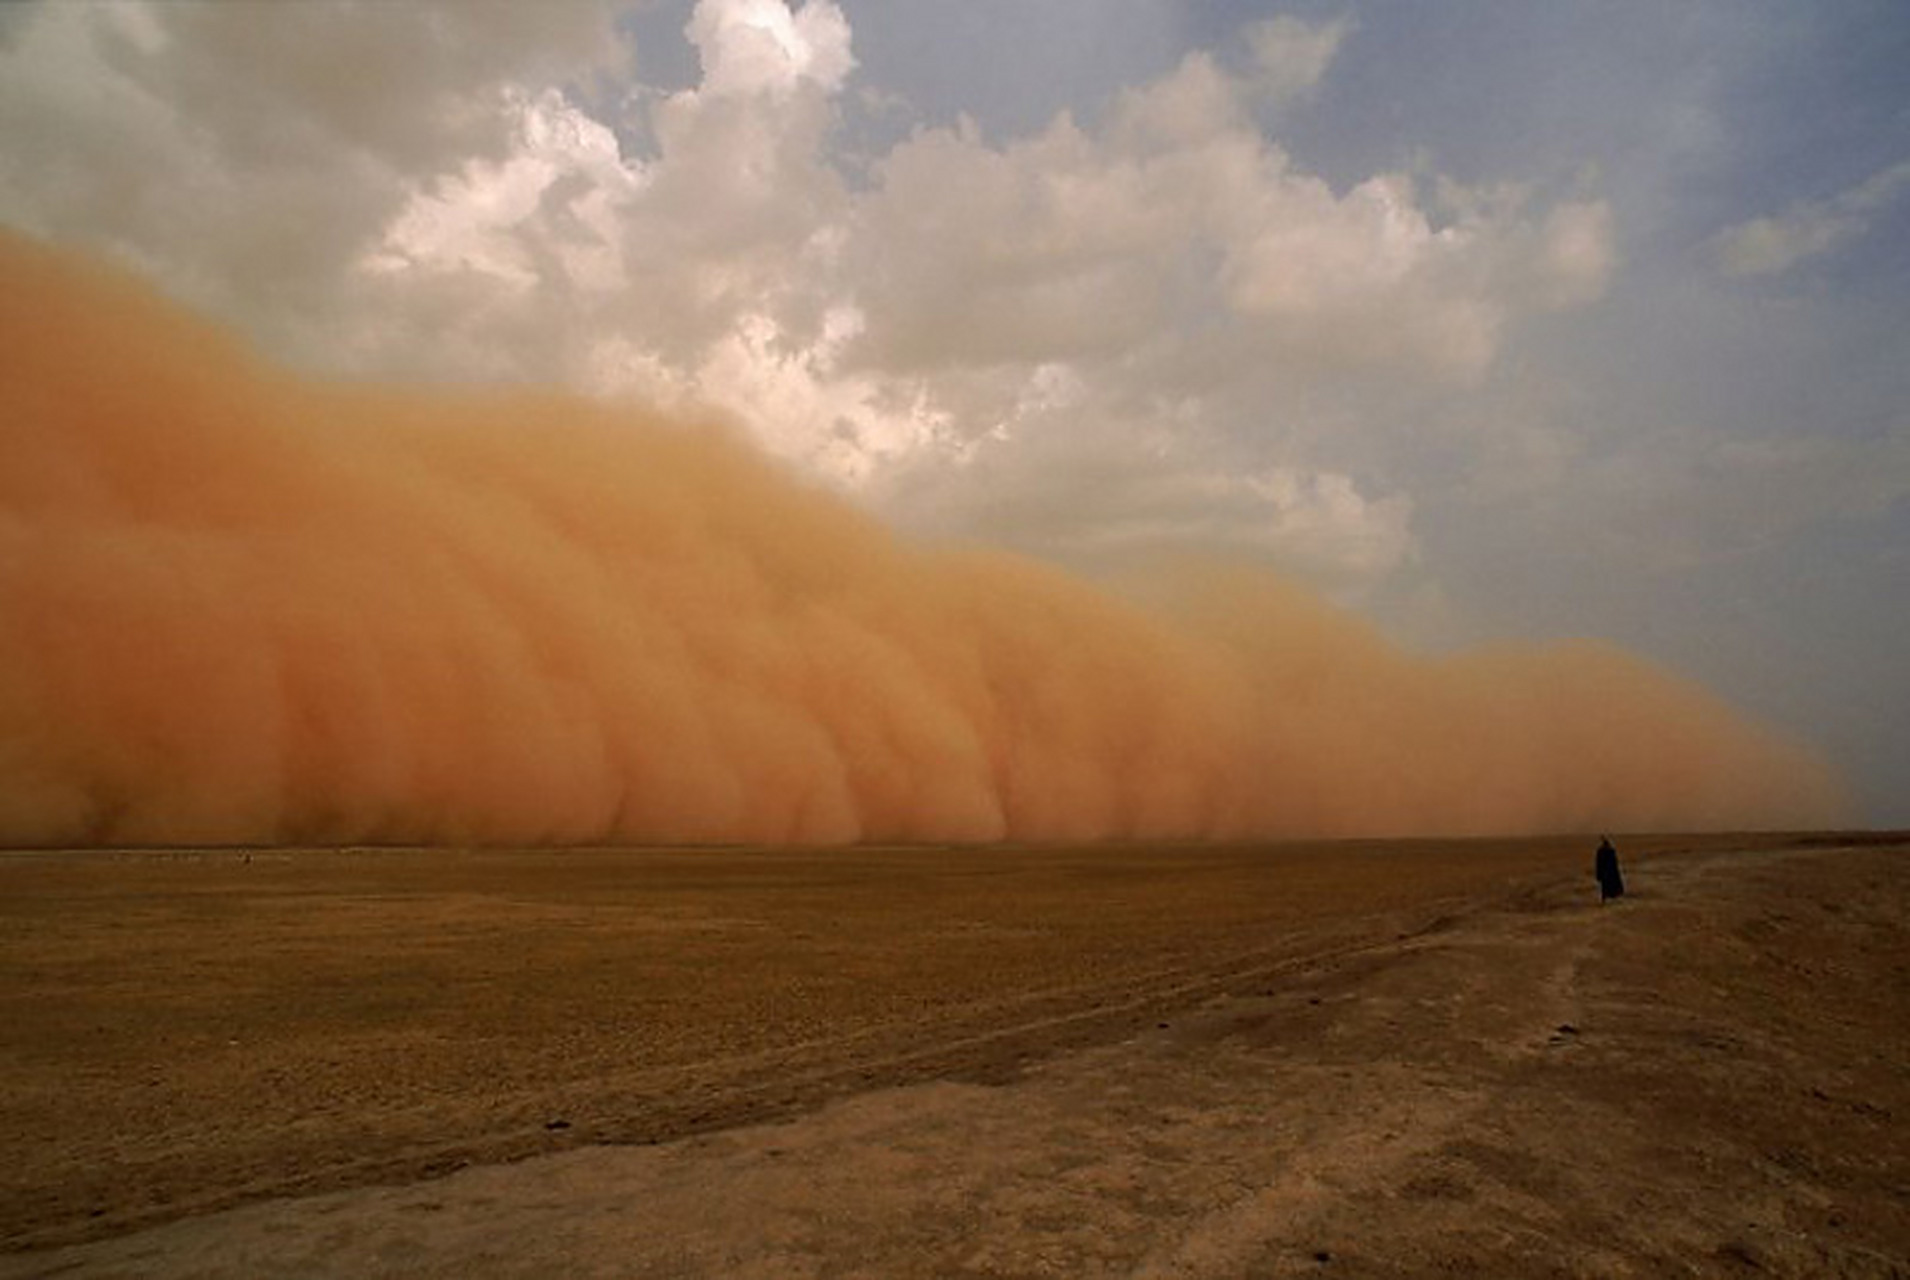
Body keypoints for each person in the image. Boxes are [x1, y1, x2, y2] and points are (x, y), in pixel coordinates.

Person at [1595, 836, 1625, 903]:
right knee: (1606, 886)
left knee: (1605, 886)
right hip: (1609, 872)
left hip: (1606, 872)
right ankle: (1606, 897)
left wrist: (1598, 873)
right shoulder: (1609, 851)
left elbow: (1599, 863)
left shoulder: (1603, 851)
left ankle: (1605, 898)